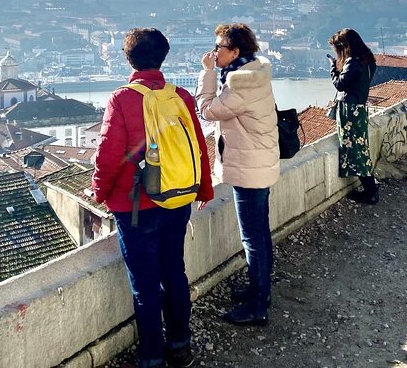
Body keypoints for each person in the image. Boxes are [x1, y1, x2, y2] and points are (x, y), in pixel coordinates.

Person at [92, 28, 214, 368]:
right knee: (174, 271)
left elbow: (108, 155)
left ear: (128, 57)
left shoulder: (122, 99)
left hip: (136, 208)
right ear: (163, 56)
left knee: (145, 286)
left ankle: (151, 358)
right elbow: (199, 148)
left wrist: (100, 192)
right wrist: (203, 189)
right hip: (178, 200)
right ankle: (181, 345)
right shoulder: (182, 96)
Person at [196, 23, 280, 326]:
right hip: (260, 162)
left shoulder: (239, 86)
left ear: (234, 51)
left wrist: (206, 73)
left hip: (249, 169)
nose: (214, 52)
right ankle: (261, 292)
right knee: (260, 233)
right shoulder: (255, 71)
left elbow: (206, 109)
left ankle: (257, 306)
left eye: (219, 47)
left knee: (252, 239)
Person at [328, 28, 379, 204]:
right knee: (361, 150)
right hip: (359, 109)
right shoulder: (368, 60)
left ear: (345, 46)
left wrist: (333, 68)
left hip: (350, 111)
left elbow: (340, 85)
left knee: (356, 153)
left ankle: (370, 192)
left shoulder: (352, 62)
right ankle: (371, 189)